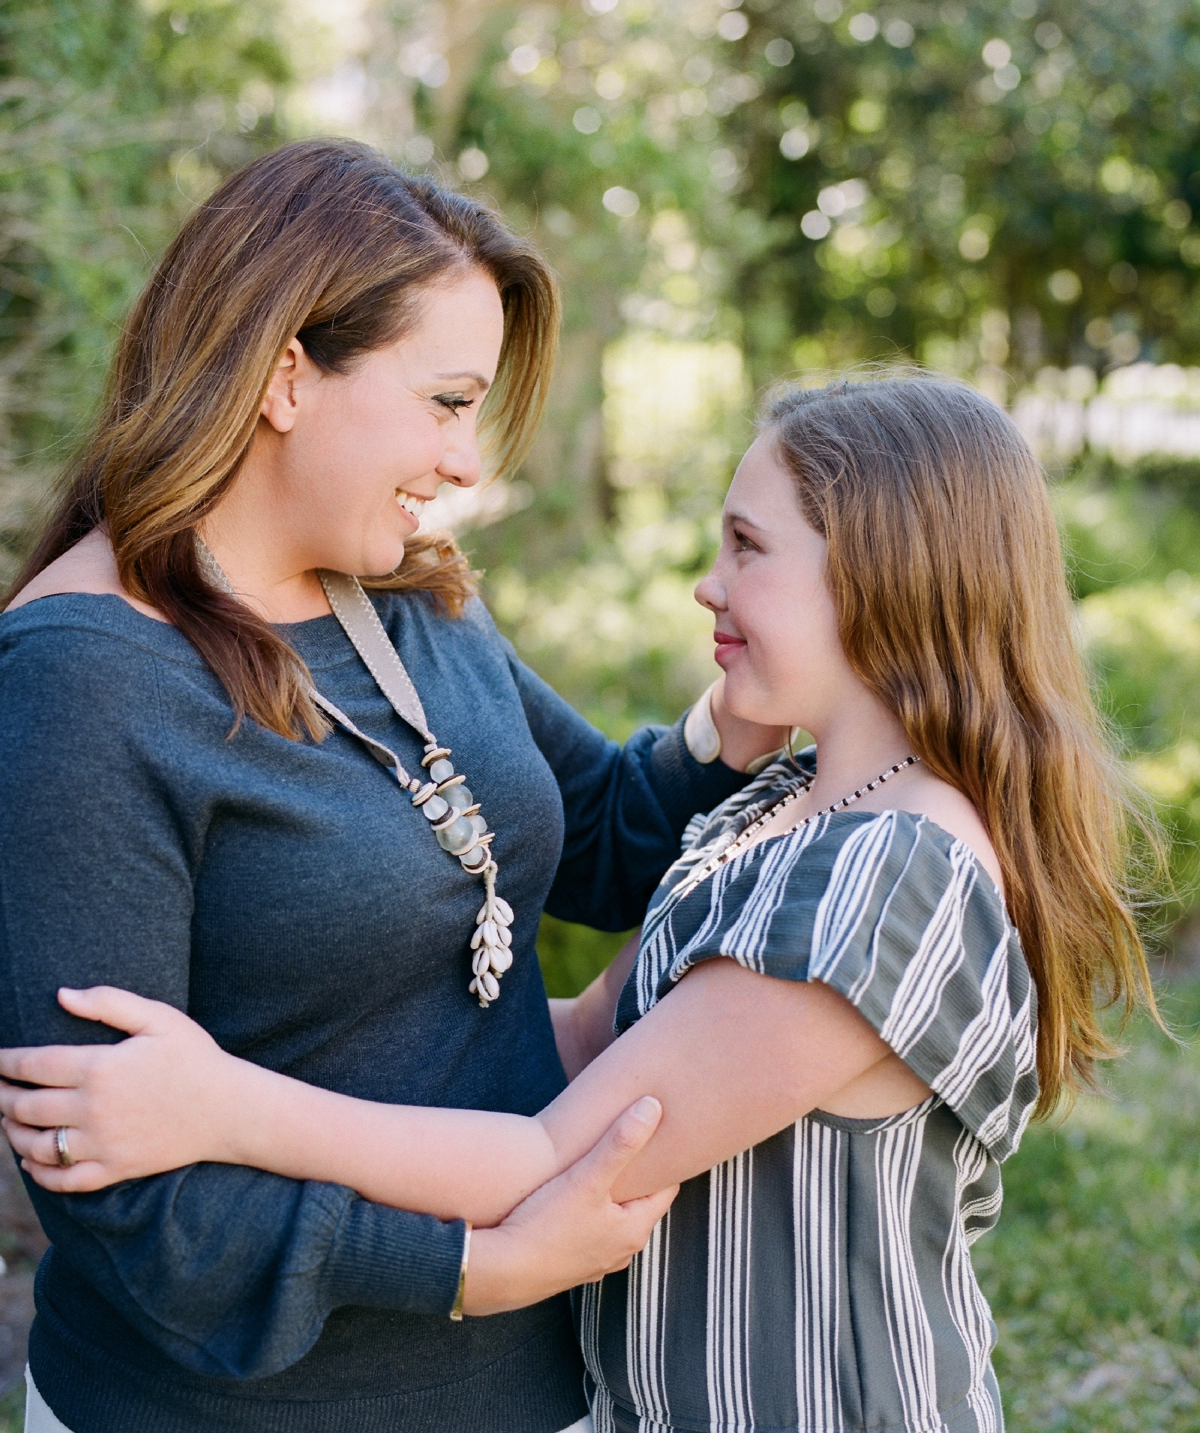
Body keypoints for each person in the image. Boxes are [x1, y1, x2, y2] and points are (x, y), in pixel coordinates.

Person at [1, 374, 1160, 1433]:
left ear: (888, 572)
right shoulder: (784, 804)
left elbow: (565, 1148)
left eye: (748, 547)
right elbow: (571, 1038)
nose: (709, 582)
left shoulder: (882, 881)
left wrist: (223, 1105)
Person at [0, 138, 787, 1433]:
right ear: (285, 374)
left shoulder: (397, 594)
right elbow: (125, 1208)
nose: (468, 462)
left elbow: (594, 834)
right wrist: (482, 1267)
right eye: (444, 401)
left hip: (536, 1381)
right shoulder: (81, 688)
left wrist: (754, 702)